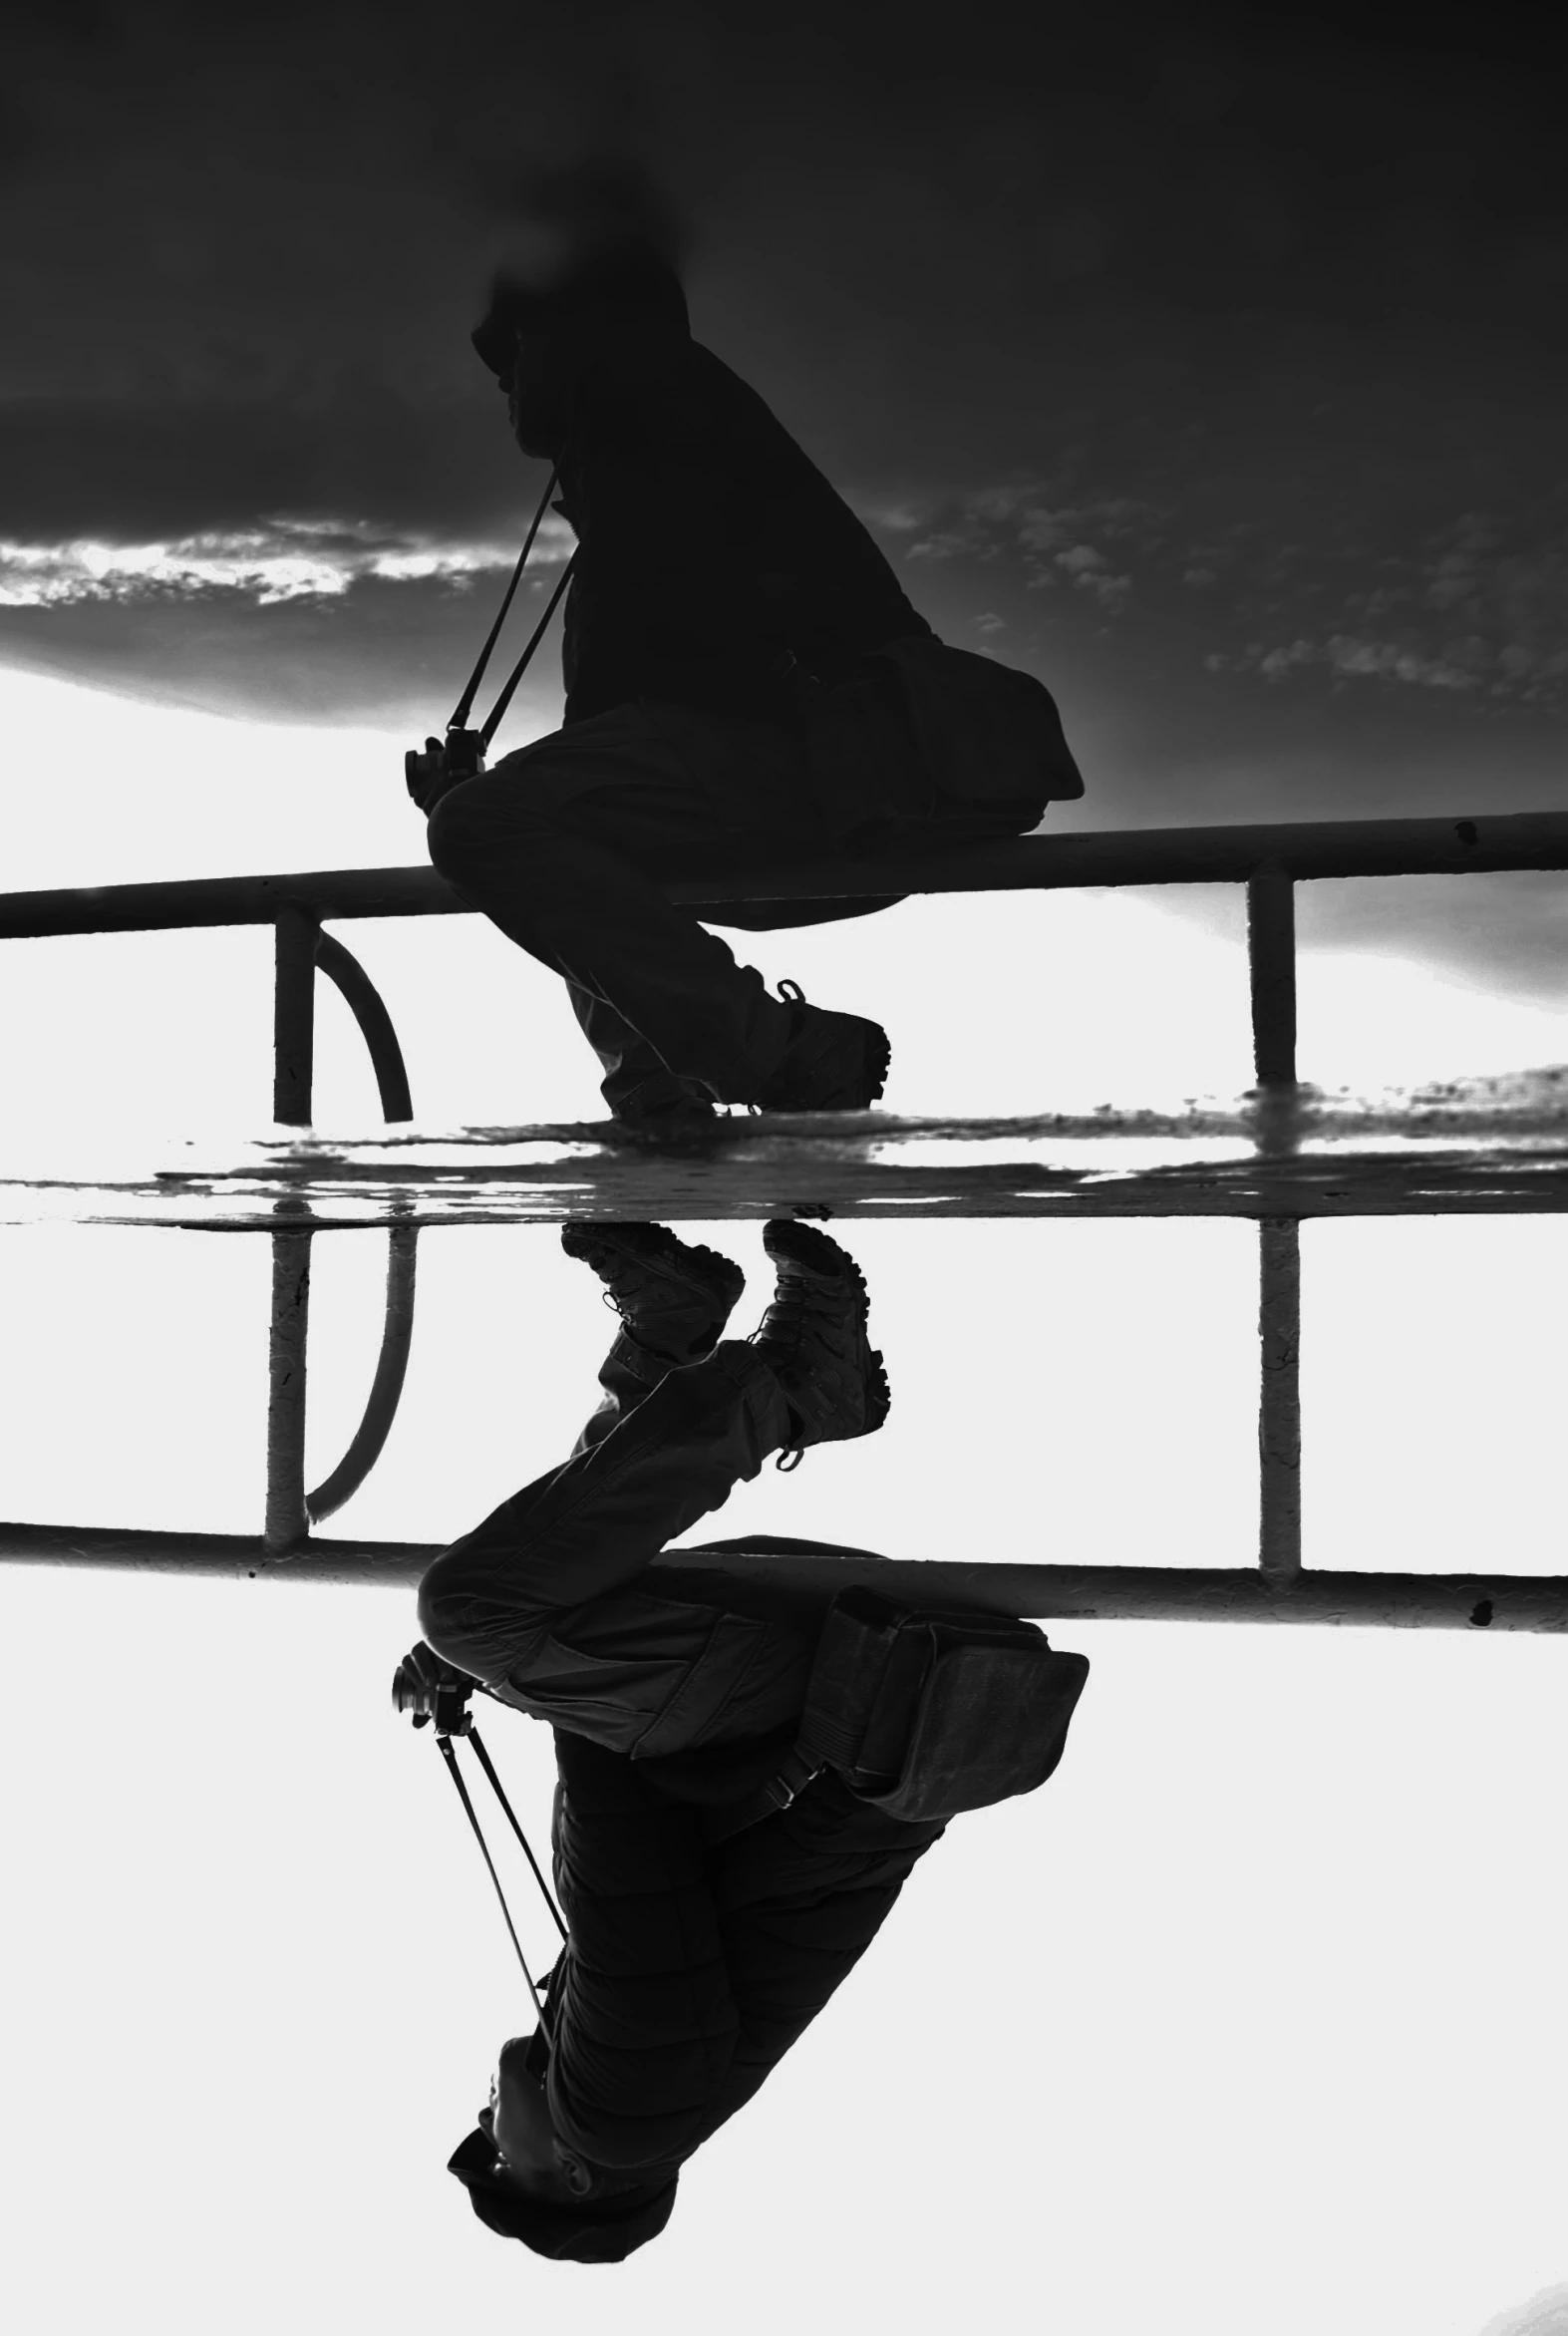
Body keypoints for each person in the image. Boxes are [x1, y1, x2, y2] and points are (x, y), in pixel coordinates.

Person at [415, 229, 1087, 1131]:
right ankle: (664, 1118)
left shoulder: (660, 401)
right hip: (785, 775)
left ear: (582, 336)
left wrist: (485, 807)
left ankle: (773, 1059)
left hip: (821, 769)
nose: (500, 374)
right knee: (525, 830)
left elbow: (671, 706)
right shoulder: (622, 482)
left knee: (494, 823)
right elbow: (617, 749)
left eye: (516, 343)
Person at [406, 1215, 955, 2261]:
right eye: (492, 2143)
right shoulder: (623, 2114)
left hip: (787, 1715)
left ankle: (672, 1336)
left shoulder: (639, 2093)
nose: (484, 2113)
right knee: (472, 1613)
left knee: (558, 1566)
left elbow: (643, 1831)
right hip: (808, 1706)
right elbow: (629, 1844)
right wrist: (495, 1675)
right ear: (567, 2175)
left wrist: (519, 1686)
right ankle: (792, 1385)